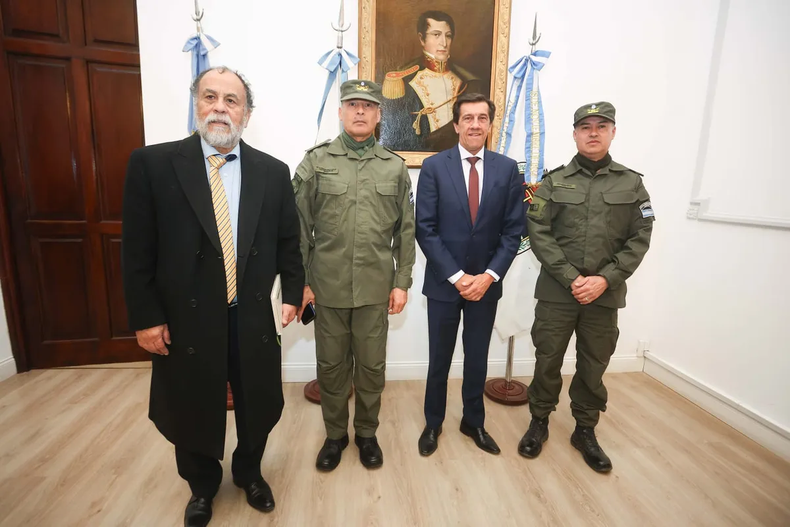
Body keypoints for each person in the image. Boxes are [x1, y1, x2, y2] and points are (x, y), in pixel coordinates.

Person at [122, 66, 303, 527]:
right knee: (191, 404)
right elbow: (137, 251)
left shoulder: (273, 171)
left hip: (251, 316)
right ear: (196, 103)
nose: (220, 107)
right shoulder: (153, 164)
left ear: (247, 112)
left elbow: (289, 242)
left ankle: (249, 473)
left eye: (232, 100)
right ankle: (201, 487)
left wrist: (292, 291)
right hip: (186, 320)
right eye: (210, 97)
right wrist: (146, 317)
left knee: (257, 401)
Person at [519, 101, 654, 473]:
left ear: (613, 132)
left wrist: (604, 279)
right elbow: (538, 232)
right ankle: (539, 422)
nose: (593, 132)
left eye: (602, 126)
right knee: (547, 360)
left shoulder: (631, 183)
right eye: (586, 127)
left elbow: (640, 237)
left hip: (604, 295)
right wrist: (571, 277)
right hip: (557, 293)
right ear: (575, 133)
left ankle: (585, 430)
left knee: (594, 363)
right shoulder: (554, 181)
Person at [292, 79, 416, 472]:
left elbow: (406, 231)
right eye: (352, 105)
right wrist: (302, 283)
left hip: (375, 289)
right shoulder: (316, 161)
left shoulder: (394, 167)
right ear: (341, 112)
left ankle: (366, 434)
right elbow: (298, 229)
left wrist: (402, 283)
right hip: (326, 288)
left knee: (371, 367)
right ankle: (335, 436)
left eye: (368, 106)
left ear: (380, 115)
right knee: (330, 367)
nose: (360, 111)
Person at [415, 92, 524, 456]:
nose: (475, 124)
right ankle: (433, 423)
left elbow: (513, 232)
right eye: (468, 118)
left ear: (490, 125)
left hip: (486, 286)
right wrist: (457, 276)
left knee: (477, 359)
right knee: (439, 360)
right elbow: (425, 228)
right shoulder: (434, 167)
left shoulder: (508, 169)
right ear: (457, 124)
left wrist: (488, 275)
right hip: (445, 285)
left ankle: (473, 422)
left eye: (482, 118)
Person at [379, 10, 483, 152]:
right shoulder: (404, 82)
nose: (444, 43)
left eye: (448, 36)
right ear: (422, 39)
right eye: (436, 35)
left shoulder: (468, 83)